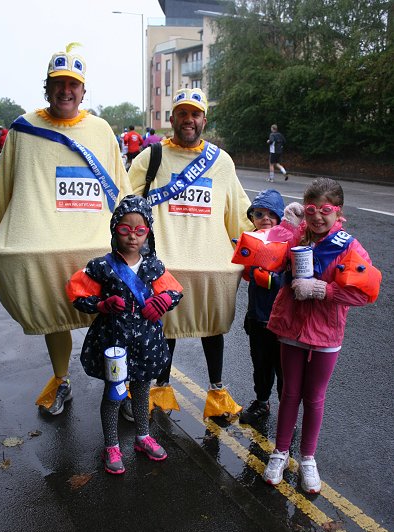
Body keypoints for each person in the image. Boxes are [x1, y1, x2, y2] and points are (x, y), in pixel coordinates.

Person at [0, 43, 131, 416]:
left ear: (83, 91)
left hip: (96, 245)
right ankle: (61, 380)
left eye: (73, 85)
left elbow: (120, 187)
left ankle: (122, 387)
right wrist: (0, 227)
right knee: (54, 314)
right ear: (46, 87)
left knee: (114, 318)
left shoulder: (101, 130)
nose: (66, 91)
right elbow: (8, 184)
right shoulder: (23, 129)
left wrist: (132, 232)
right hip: (45, 243)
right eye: (58, 83)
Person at [128, 88, 254, 419]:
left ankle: (216, 392)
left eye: (195, 114)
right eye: (182, 113)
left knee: (212, 328)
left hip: (210, 264)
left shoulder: (221, 161)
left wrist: (266, 242)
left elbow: (238, 213)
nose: (189, 120)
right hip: (164, 263)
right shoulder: (150, 157)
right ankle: (161, 389)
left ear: (204, 120)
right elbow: (126, 205)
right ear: (172, 119)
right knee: (164, 329)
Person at [262, 177, 381, 494]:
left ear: (338, 212)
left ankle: (308, 459)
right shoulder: (297, 236)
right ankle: (280, 452)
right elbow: (266, 259)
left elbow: (365, 294)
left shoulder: (350, 247)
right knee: (289, 394)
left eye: (325, 210)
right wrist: (284, 229)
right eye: (311, 209)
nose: (316, 216)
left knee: (314, 399)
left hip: (327, 334)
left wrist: (323, 289)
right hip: (291, 327)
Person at [66, 195, 183, 474]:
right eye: (125, 230)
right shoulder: (101, 267)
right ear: (114, 229)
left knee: (142, 389)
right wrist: (100, 305)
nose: (132, 237)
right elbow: (76, 293)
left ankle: (143, 436)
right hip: (114, 342)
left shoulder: (154, 266)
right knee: (115, 393)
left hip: (146, 342)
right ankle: (112, 445)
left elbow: (174, 290)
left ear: (148, 233)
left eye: (140, 231)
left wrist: (165, 300)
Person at [238, 189, 285, 424]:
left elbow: (292, 278)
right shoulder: (251, 240)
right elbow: (245, 273)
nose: (265, 218)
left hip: (283, 320)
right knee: (261, 364)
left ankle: (287, 411)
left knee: (284, 369)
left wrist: (266, 277)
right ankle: (262, 401)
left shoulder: (289, 242)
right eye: (258, 214)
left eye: (270, 214)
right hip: (257, 316)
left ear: (280, 216)